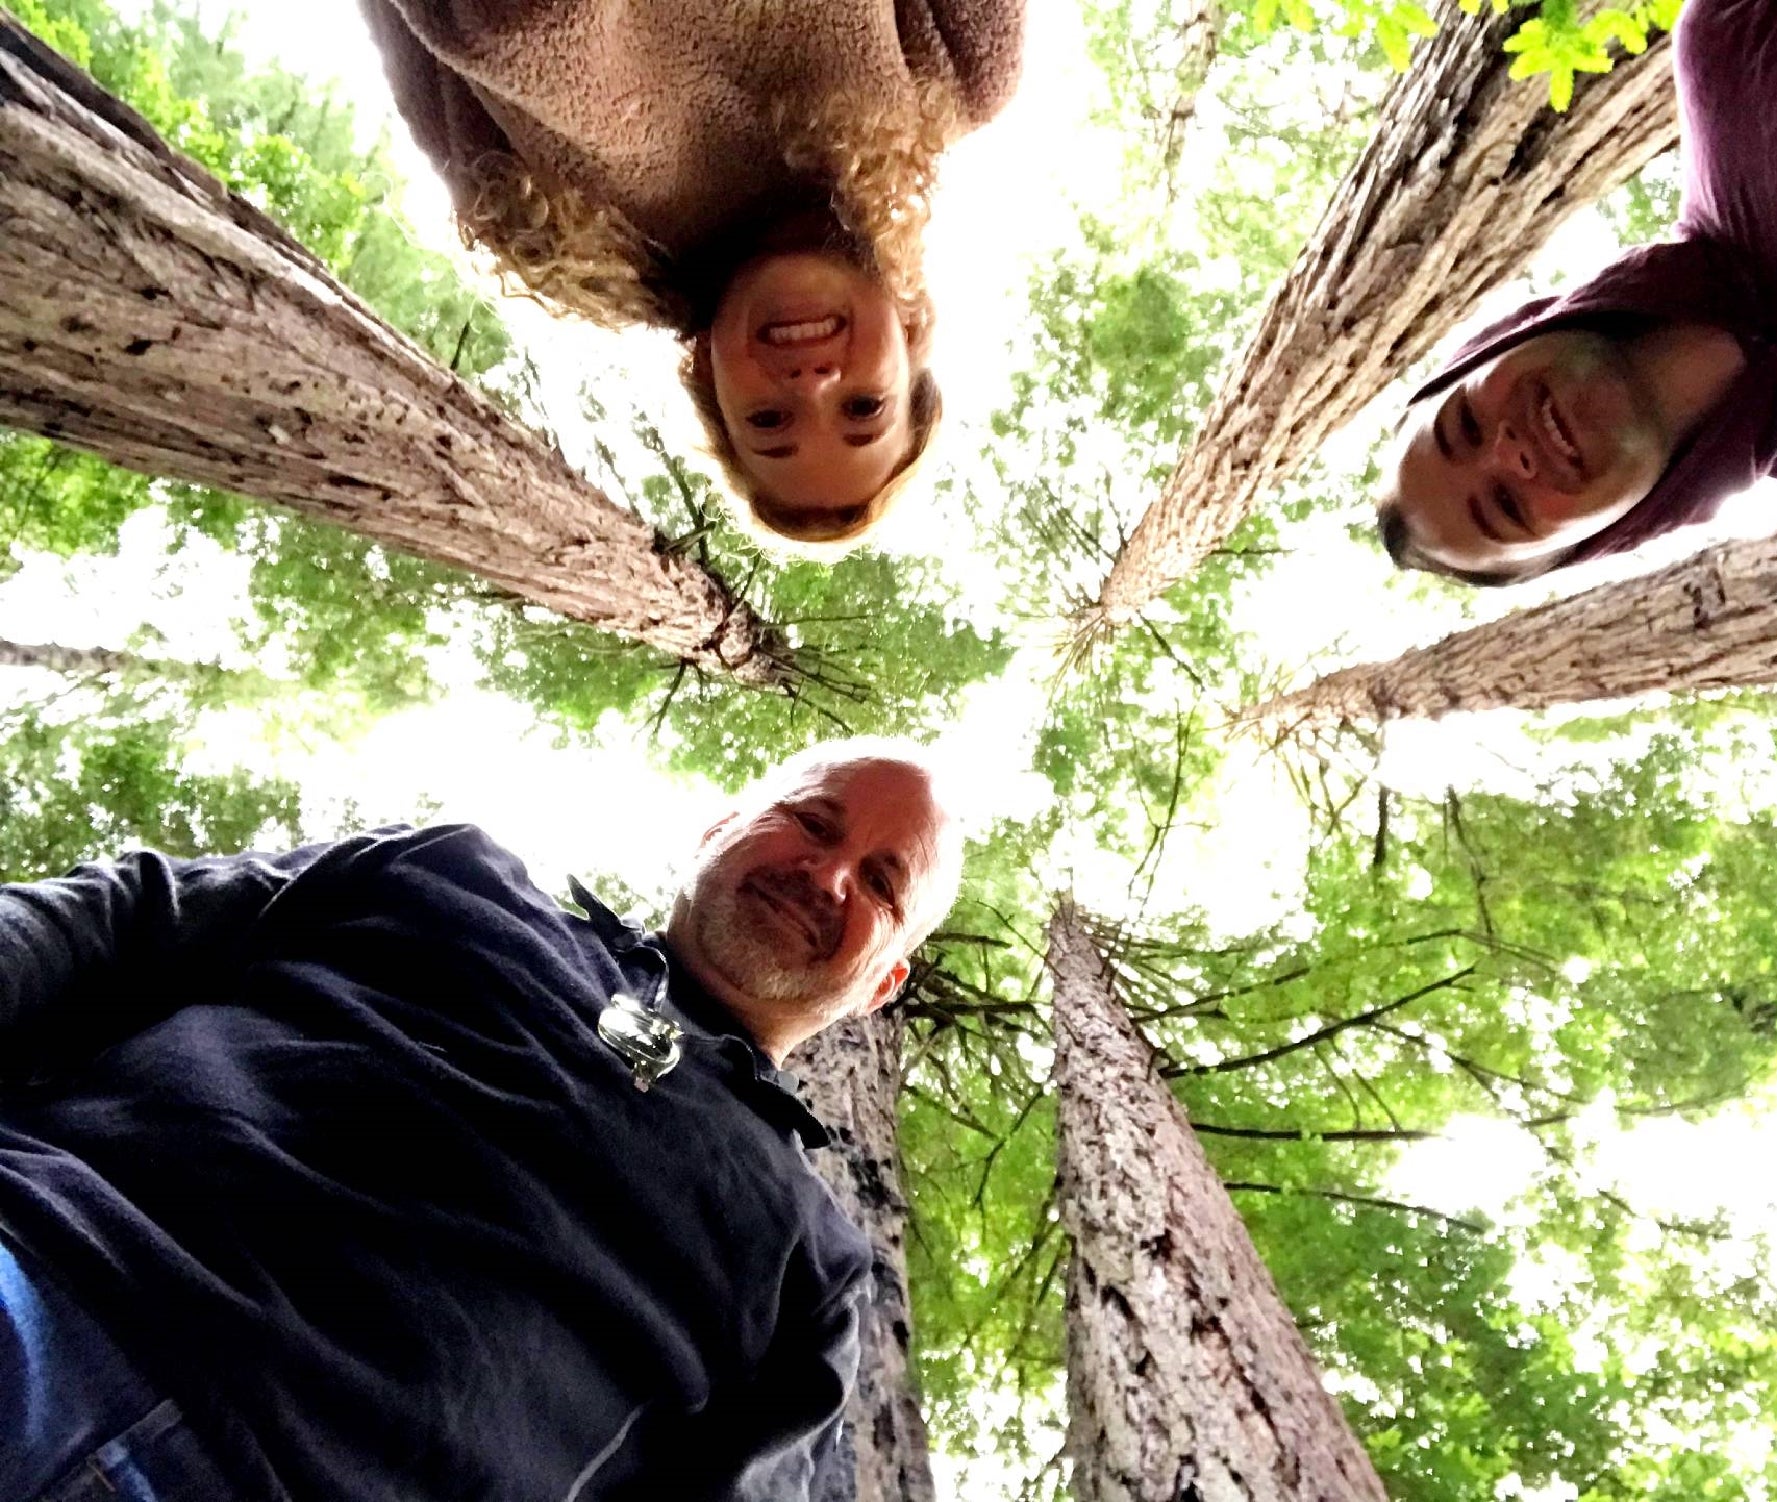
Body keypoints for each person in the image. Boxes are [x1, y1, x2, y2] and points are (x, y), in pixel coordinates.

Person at [0, 737, 963, 1502]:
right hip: (42, 1269)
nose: (827, 875)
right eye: (810, 819)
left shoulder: (815, 1266)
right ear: (721, 823)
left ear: (884, 982)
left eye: (883, 883)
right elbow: (114, 923)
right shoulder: (456, 874)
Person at [1375, 0, 1777, 640]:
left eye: (1466, 424)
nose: (1510, 453)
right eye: (1506, 507)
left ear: (1495, 346)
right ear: (1600, 539)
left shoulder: (1736, 43)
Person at [357, 0, 1027, 553]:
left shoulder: (542, 226)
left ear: (704, 369)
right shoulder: (956, 77)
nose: (813, 383)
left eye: (768, 420)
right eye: (863, 408)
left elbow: (409, 44)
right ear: (912, 332)